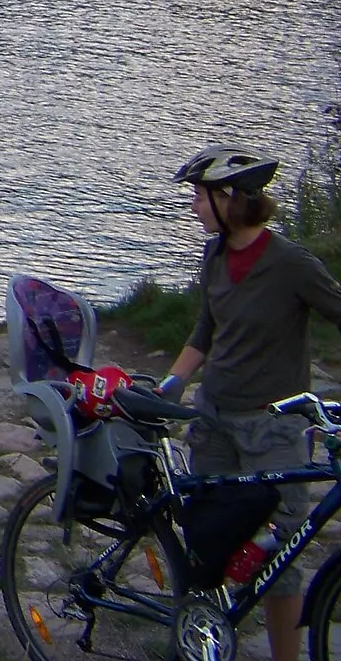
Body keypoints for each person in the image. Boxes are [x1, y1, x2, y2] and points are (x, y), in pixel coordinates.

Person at [160, 148, 341, 661]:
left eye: (199, 196)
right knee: (208, 541)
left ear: (228, 200)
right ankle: (200, 639)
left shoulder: (292, 265)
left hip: (274, 431)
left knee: (281, 555)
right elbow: (207, 330)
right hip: (215, 421)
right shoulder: (214, 254)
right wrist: (172, 385)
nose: (194, 206)